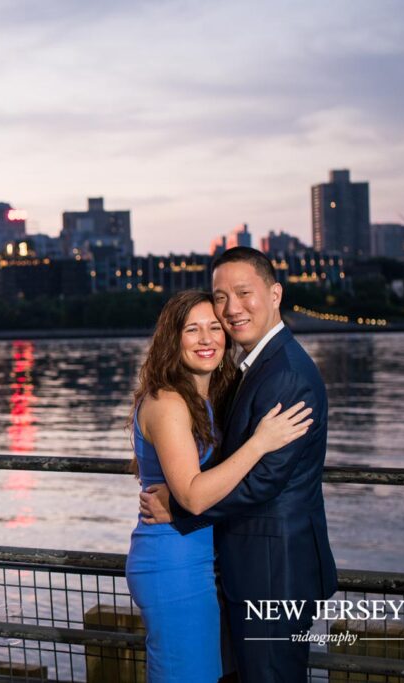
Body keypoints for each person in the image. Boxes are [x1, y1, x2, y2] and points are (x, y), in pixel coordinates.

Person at [140, 247, 338, 682]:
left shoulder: (284, 373)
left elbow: (264, 481)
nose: (231, 309)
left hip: (273, 573)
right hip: (251, 568)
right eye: (220, 297)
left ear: (275, 294)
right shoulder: (255, 369)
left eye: (243, 293)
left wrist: (179, 507)